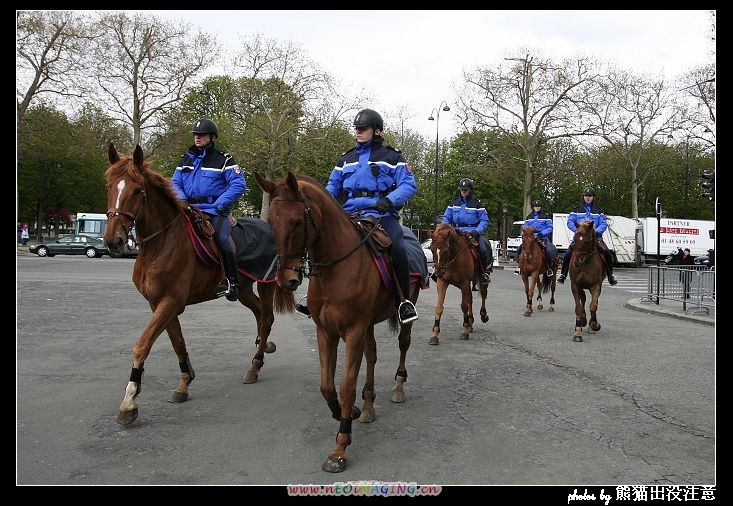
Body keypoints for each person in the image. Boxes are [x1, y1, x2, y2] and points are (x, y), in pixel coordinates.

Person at [324, 108, 418, 324]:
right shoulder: (345, 159)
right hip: (348, 213)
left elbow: (408, 184)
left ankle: (404, 302)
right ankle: (317, 297)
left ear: (376, 131)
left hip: (380, 214)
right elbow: (332, 187)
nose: (358, 132)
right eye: (356, 129)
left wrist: (390, 200)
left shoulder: (393, 157)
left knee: (397, 246)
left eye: (363, 129)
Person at [171, 118, 246, 301]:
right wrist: (181, 200)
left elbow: (238, 184)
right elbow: (175, 183)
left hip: (215, 210)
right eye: (196, 135)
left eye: (202, 135)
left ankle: (231, 282)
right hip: (189, 208)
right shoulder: (185, 159)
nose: (197, 138)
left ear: (212, 137)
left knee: (221, 238)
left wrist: (220, 204)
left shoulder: (224, 160)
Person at [557, 187, 617, 285]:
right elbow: (570, 222)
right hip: (580, 239)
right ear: (583, 197)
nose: (588, 198)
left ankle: (610, 276)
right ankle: (563, 275)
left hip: (595, 238)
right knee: (568, 253)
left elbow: (603, 223)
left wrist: (596, 232)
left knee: (607, 254)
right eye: (586, 196)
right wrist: (579, 231)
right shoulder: (576, 210)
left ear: (594, 197)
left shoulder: (598, 211)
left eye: (590, 196)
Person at [442, 177, 492, 287]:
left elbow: (484, 221)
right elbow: (446, 218)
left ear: (470, 190)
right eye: (462, 190)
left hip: (472, 232)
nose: (463, 192)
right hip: (456, 232)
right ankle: (439, 271)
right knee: (442, 247)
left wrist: (477, 231)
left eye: (466, 190)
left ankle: (483, 274)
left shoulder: (477, 204)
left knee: (483, 249)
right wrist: (445, 228)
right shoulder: (453, 203)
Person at [513, 200, 559, 277]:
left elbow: (550, 228)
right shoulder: (529, 217)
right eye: (535, 206)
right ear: (533, 207)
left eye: (538, 206)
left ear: (541, 207)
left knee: (548, 251)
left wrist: (541, 233)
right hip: (531, 239)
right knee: (519, 249)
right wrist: (523, 234)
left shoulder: (545, 217)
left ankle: (548, 269)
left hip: (542, 239)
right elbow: (524, 227)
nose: (537, 208)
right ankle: (519, 267)